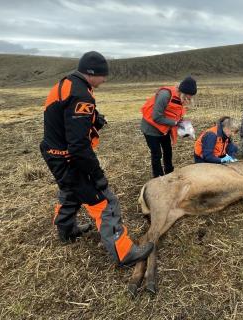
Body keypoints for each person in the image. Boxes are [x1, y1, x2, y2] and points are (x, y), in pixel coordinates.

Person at [40, 51, 153, 267]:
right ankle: (124, 253)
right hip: (70, 160)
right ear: (91, 73)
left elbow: (64, 120)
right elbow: (79, 145)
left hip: (54, 155)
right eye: (103, 75)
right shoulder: (81, 94)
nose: (105, 79)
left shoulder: (66, 84)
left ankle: (66, 230)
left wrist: (93, 120)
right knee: (105, 201)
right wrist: (97, 175)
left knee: (70, 191)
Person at [141, 76, 197, 177]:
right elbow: (156, 117)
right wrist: (175, 123)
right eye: (189, 96)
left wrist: (186, 127)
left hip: (164, 128)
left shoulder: (181, 97)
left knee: (168, 150)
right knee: (156, 154)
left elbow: (174, 114)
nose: (189, 98)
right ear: (183, 91)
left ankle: (169, 173)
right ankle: (158, 177)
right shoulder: (165, 95)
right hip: (151, 129)